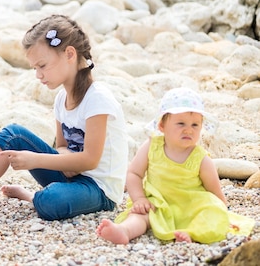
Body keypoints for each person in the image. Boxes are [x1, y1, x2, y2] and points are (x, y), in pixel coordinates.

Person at [0, 14, 128, 221]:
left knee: (51, 201)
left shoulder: (97, 99)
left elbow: (90, 160)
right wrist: (67, 161)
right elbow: (61, 146)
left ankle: (31, 197)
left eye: (42, 66)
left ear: (69, 54)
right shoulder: (61, 98)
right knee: (12, 134)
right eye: (35, 68)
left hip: (99, 189)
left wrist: (35, 159)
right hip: (70, 174)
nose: (38, 75)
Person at [96, 87, 256, 244]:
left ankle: (191, 233)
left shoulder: (201, 159)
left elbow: (215, 192)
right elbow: (134, 174)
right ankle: (124, 231)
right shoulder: (152, 146)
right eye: (181, 124)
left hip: (192, 207)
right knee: (140, 215)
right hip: (158, 203)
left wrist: (224, 214)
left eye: (195, 125)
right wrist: (139, 199)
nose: (188, 130)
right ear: (162, 126)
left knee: (210, 213)